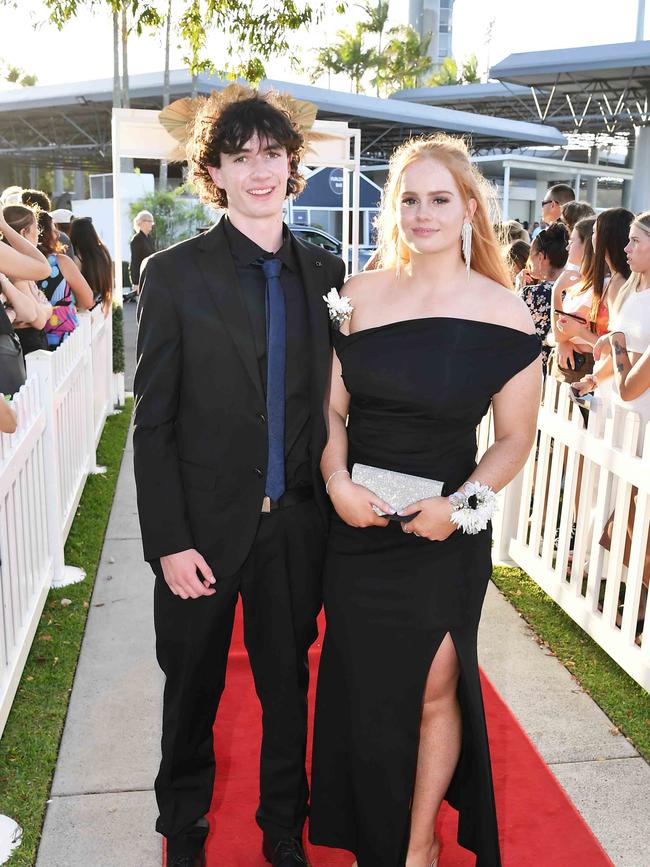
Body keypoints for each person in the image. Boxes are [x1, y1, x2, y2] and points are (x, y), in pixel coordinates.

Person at [308, 133, 542, 867]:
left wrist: (462, 507)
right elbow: (331, 412)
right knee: (370, 692)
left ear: (469, 207)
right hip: (358, 526)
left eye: (440, 198)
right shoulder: (357, 295)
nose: (423, 212)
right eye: (409, 199)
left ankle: (415, 846)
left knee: (438, 682)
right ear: (394, 209)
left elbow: (513, 438)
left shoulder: (506, 314)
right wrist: (337, 482)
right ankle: (377, 829)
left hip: (447, 530)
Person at [133, 86, 345, 867]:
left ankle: (283, 829)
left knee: (287, 692)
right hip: (201, 535)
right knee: (190, 693)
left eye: (271, 154)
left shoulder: (327, 270)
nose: (258, 170)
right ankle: (182, 831)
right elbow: (152, 424)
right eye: (239, 157)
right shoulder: (175, 274)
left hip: (295, 525)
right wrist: (169, 542)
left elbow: (338, 400)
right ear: (213, 172)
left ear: (292, 164)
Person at [36, 211, 94, 349]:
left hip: (32, 339)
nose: (57, 234)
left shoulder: (19, 264)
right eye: (53, 229)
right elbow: (87, 300)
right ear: (44, 234)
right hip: (64, 338)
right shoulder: (60, 262)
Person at [517, 221, 568, 373]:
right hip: (560, 371)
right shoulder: (575, 291)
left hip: (531, 372)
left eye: (530, 256)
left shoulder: (530, 294)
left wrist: (518, 289)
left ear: (541, 257)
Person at [550, 216, 596, 383]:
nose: (568, 247)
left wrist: (556, 292)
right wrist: (560, 341)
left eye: (572, 241)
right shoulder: (578, 281)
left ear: (587, 245)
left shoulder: (598, 287)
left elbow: (560, 332)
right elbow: (555, 334)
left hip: (582, 367)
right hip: (569, 366)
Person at [2, 204, 53, 354]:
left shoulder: (18, 265)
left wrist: (44, 308)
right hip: (27, 343)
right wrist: (46, 306)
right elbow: (38, 319)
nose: (38, 235)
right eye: (36, 230)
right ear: (24, 232)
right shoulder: (16, 269)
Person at [69, 217, 113, 315]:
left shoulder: (75, 259)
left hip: (84, 309)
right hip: (100, 304)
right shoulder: (103, 252)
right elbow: (110, 280)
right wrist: (107, 304)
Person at [127, 209, 155, 301]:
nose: (152, 223)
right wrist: (135, 282)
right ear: (141, 222)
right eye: (149, 221)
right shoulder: (137, 239)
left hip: (150, 277)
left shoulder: (149, 238)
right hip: (141, 278)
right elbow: (134, 261)